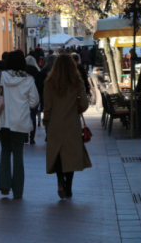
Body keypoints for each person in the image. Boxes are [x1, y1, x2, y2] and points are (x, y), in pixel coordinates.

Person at [43, 54, 92, 199]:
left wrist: (46, 123)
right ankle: (68, 187)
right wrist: (74, 110)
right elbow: (84, 104)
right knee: (70, 156)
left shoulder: (49, 83)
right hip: (72, 125)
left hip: (54, 124)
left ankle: (59, 181)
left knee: (58, 154)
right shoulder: (77, 82)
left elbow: (47, 107)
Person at [0, 51, 40, 198]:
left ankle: (5, 185)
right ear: (23, 63)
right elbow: (34, 102)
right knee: (18, 153)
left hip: (3, 120)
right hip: (20, 121)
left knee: (5, 150)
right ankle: (18, 190)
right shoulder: (28, 79)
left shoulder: (1, 76)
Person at [25, 54, 42, 144]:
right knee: (33, 117)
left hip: (24, 97)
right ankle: (32, 138)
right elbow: (40, 86)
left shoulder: (22, 72)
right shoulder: (37, 73)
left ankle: (25, 136)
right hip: (34, 97)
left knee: (24, 116)